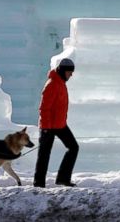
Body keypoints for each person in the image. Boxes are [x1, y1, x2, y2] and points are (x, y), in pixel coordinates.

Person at [34, 57, 79, 188]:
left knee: (73, 147)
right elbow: (44, 108)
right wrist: (46, 128)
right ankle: (39, 183)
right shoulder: (52, 84)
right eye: (69, 72)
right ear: (63, 70)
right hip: (49, 126)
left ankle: (63, 178)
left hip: (60, 124)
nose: (71, 75)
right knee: (44, 155)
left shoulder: (60, 83)